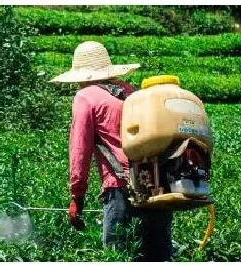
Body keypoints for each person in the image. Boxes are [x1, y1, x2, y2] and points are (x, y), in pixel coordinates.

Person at [49, 41, 174, 262]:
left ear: (80, 74)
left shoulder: (85, 97)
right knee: (157, 256)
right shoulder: (130, 91)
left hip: (122, 186)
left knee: (118, 256)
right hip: (157, 183)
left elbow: (80, 150)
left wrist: (77, 197)